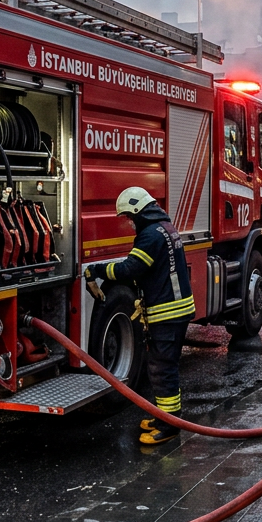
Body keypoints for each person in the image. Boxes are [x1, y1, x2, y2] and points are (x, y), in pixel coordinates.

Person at [86, 186, 195, 446]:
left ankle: (168, 426)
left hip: (167, 314)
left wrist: (98, 269)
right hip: (175, 311)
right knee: (162, 368)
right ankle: (164, 417)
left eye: (129, 217)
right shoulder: (164, 228)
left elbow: (131, 268)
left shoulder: (149, 236)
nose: (130, 223)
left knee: (162, 370)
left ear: (138, 211)